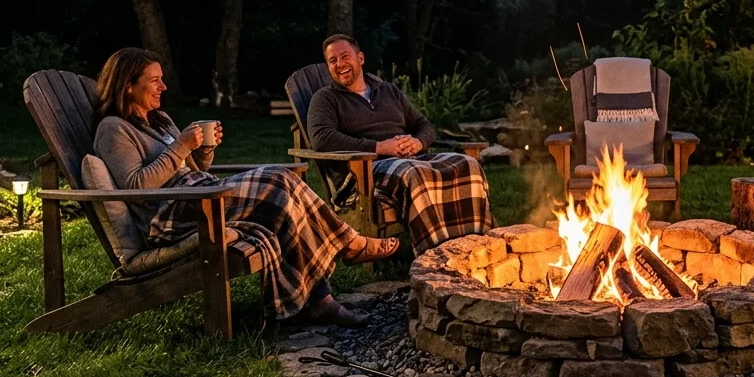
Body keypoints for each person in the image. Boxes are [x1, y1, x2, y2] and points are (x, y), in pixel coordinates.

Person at [92, 48, 396, 327]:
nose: (163, 86)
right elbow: (135, 186)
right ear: (128, 85)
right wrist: (181, 146)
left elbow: (193, 170)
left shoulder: (158, 120)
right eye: (154, 80)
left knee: (284, 201)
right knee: (279, 180)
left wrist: (203, 151)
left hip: (199, 196)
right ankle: (349, 243)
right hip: (170, 217)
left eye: (162, 79)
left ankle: (322, 301)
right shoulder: (114, 128)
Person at [307, 34, 494, 252]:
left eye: (345, 56)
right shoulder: (325, 98)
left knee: (467, 163)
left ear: (360, 58)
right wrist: (379, 147)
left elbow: (424, 124)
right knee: (413, 172)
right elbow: (321, 138)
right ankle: (435, 253)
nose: (339, 64)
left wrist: (418, 142)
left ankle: (478, 245)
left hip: (409, 159)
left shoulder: (389, 91)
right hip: (364, 172)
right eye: (333, 60)